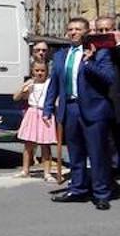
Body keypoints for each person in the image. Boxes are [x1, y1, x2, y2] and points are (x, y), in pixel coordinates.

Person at [45, 17, 115, 210]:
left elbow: (109, 78)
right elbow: (54, 83)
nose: (73, 32)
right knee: (75, 153)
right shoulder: (61, 55)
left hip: (94, 109)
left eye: (77, 29)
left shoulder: (100, 52)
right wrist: (48, 108)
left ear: (86, 32)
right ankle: (78, 189)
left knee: (97, 154)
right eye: (70, 29)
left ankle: (101, 194)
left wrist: (88, 62)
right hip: (70, 108)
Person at [15, 60, 56, 182]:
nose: (39, 73)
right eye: (37, 70)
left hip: (45, 112)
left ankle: (47, 172)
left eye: (42, 71)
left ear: (47, 72)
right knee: (28, 144)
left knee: (45, 144)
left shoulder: (49, 83)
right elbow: (16, 97)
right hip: (32, 112)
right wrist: (24, 90)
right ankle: (25, 170)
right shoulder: (30, 83)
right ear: (32, 71)